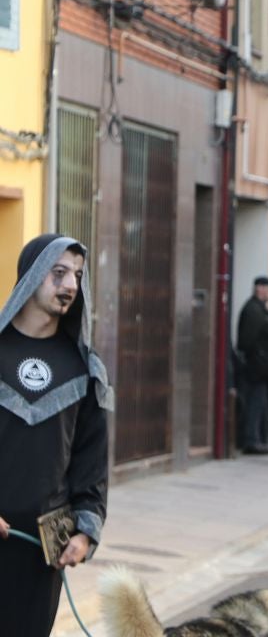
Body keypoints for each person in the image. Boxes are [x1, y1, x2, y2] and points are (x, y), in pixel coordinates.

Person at [0, 234, 113, 637]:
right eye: (59, 272)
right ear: (31, 276)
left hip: (41, 548)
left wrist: (85, 529)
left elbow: (91, 460)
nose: (70, 285)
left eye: (78, 276)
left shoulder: (85, 368)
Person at [237, 276, 268, 454]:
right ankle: (251, 440)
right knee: (255, 402)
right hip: (257, 368)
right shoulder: (254, 310)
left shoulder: (261, 309)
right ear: (260, 289)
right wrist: (260, 357)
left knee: (260, 402)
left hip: (263, 367)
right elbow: (247, 341)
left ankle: (258, 438)